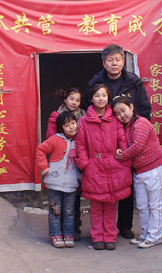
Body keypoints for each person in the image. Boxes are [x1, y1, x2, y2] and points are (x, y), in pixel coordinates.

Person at [83, 44, 152, 239]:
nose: (114, 63)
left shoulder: (134, 82)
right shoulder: (95, 83)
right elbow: (88, 111)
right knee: (103, 186)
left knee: (125, 182)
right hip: (103, 141)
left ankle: (125, 225)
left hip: (128, 140)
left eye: (118, 59)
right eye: (110, 60)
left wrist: (135, 131)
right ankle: (103, 230)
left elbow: (145, 110)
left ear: (123, 61)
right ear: (104, 63)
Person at [75, 83, 132, 251]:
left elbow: (122, 140)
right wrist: (85, 164)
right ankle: (97, 237)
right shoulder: (84, 121)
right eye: (97, 95)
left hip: (113, 165)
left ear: (108, 98)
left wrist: (124, 160)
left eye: (104, 95)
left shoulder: (114, 119)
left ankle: (109, 237)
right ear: (91, 99)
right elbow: (81, 145)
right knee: (96, 206)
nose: (101, 99)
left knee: (110, 205)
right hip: (93, 165)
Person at [113, 96, 162, 248]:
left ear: (131, 107)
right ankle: (145, 234)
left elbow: (137, 147)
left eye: (123, 110)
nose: (121, 115)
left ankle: (155, 236)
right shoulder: (128, 126)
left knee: (155, 205)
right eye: (117, 114)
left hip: (154, 169)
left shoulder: (141, 123)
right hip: (139, 171)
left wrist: (121, 155)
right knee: (142, 206)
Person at [45, 88, 86, 240]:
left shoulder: (84, 116)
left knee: (73, 199)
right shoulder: (56, 116)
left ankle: (73, 230)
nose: (74, 102)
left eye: (78, 100)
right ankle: (58, 231)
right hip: (60, 161)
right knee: (58, 199)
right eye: (71, 99)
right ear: (65, 99)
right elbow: (49, 138)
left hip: (76, 160)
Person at [36, 111, 81, 248]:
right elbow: (40, 151)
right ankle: (55, 235)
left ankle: (68, 235)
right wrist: (45, 169)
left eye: (73, 123)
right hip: (54, 183)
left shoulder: (80, 140)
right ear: (61, 128)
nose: (72, 127)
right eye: (67, 125)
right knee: (55, 210)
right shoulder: (55, 139)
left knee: (69, 211)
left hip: (72, 183)